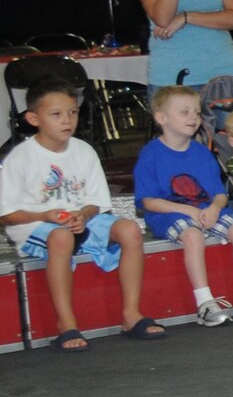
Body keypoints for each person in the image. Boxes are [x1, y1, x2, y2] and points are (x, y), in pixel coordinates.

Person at [0, 79, 164, 350]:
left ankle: (131, 314)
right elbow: (7, 215)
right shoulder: (21, 157)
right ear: (33, 118)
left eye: (72, 112)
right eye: (56, 114)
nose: (67, 120)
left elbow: (96, 204)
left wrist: (83, 215)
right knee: (62, 238)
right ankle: (66, 324)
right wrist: (47, 216)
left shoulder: (84, 150)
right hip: (34, 225)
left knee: (129, 229)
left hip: (78, 219)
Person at [135, 84, 233, 327]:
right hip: (169, 214)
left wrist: (215, 208)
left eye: (197, 113)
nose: (194, 118)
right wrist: (189, 211)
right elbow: (148, 201)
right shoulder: (151, 154)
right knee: (193, 235)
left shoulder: (202, 152)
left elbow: (219, 194)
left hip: (207, 210)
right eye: (184, 112)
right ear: (161, 117)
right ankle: (204, 302)